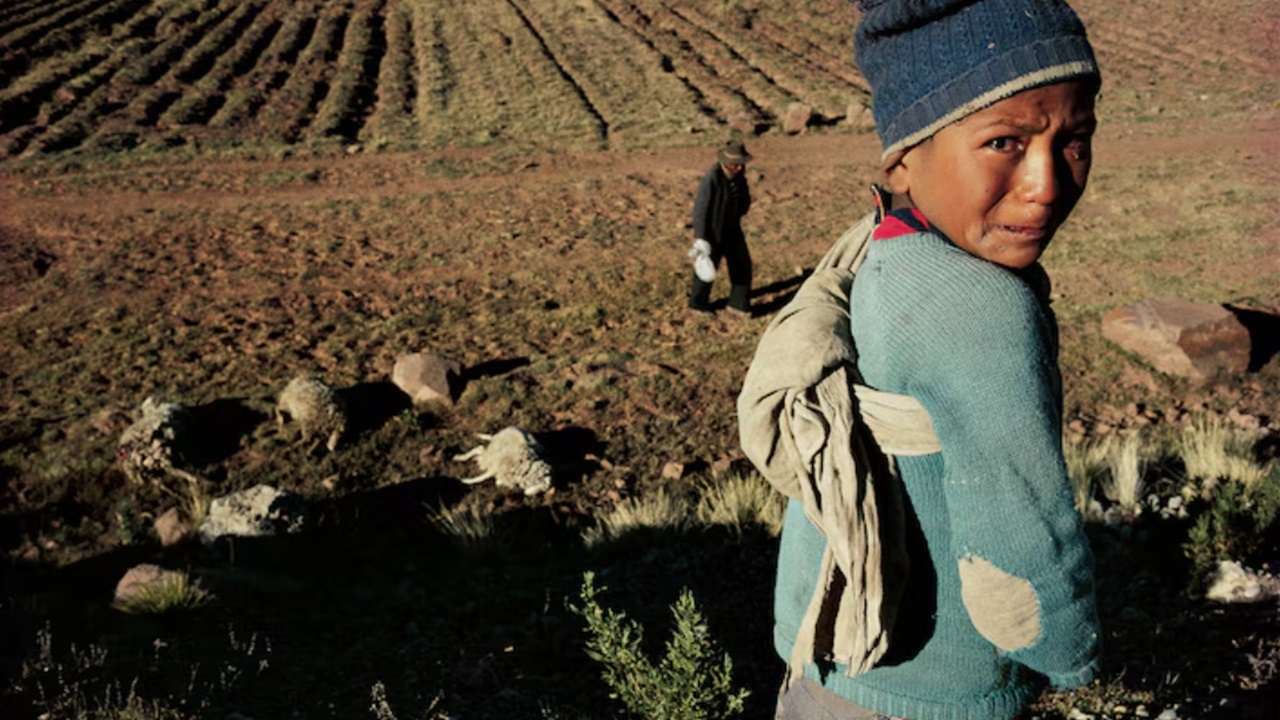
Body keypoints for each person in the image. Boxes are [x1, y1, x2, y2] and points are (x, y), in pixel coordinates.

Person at [740, 1, 1104, 718]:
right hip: (932, 689)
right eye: (1005, 142)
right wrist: (1076, 655)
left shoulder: (883, 242)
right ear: (904, 159)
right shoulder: (978, 303)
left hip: (829, 666)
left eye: (1075, 139)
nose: (1047, 184)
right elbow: (1019, 543)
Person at [688, 139, 753, 315]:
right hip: (712, 233)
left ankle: (738, 304)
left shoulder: (740, 177)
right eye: (734, 165)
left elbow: (744, 200)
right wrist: (701, 237)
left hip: (732, 230)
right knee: (706, 270)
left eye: (740, 164)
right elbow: (701, 209)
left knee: (742, 265)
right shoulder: (711, 178)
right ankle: (697, 304)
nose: (739, 168)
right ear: (725, 163)